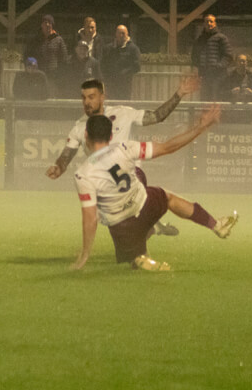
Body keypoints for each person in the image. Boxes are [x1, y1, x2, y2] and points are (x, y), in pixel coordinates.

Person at [70, 105, 237, 271]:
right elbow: (168, 147)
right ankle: (216, 225)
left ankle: (142, 258)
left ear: (86, 135)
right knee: (167, 197)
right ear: (111, 135)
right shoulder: (125, 148)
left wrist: (85, 254)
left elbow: (91, 218)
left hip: (122, 226)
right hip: (146, 204)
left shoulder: (83, 174)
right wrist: (201, 126)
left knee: (136, 258)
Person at [47, 75, 199, 237]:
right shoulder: (79, 127)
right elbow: (66, 155)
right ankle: (153, 225)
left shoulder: (123, 114)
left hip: (132, 174)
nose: (87, 102)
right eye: (83, 98)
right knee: (133, 223)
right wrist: (58, 167)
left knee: (134, 226)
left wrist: (179, 94)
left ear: (102, 97)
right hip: (105, 183)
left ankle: (146, 236)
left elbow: (156, 116)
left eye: (91, 97)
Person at [191, 14, 233, 102]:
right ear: (204, 24)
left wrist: (219, 66)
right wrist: (199, 67)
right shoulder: (200, 39)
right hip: (204, 76)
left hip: (219, 76)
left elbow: (228, 56)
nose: (209, 23)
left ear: (215, 23)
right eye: (207, 21)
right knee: (205, 100)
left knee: (217, 100)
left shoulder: (221, 38)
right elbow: (194, 55)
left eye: (211, 21)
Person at [26, 14, 69, 93]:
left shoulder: (58, 40)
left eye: (50, 23)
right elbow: (27, 54)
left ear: (52, 25)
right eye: (45, 23)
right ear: (41, 25)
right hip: (38, 74)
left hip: (53, 75)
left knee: (52, 96)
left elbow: (64, 59)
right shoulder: (35, 40)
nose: (47, 25)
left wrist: (60, 73)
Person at [100, 25, 141, 100]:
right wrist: (106, 78)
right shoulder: (108, 49)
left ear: (127, 34)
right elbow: (103, 65)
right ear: (116, 34)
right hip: (111, 85)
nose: (121, 35)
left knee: (124, 107)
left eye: (123, 33)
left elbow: (137, 66)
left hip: (125, 85)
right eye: (119, 33)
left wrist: (124, 73)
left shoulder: (133, 49)